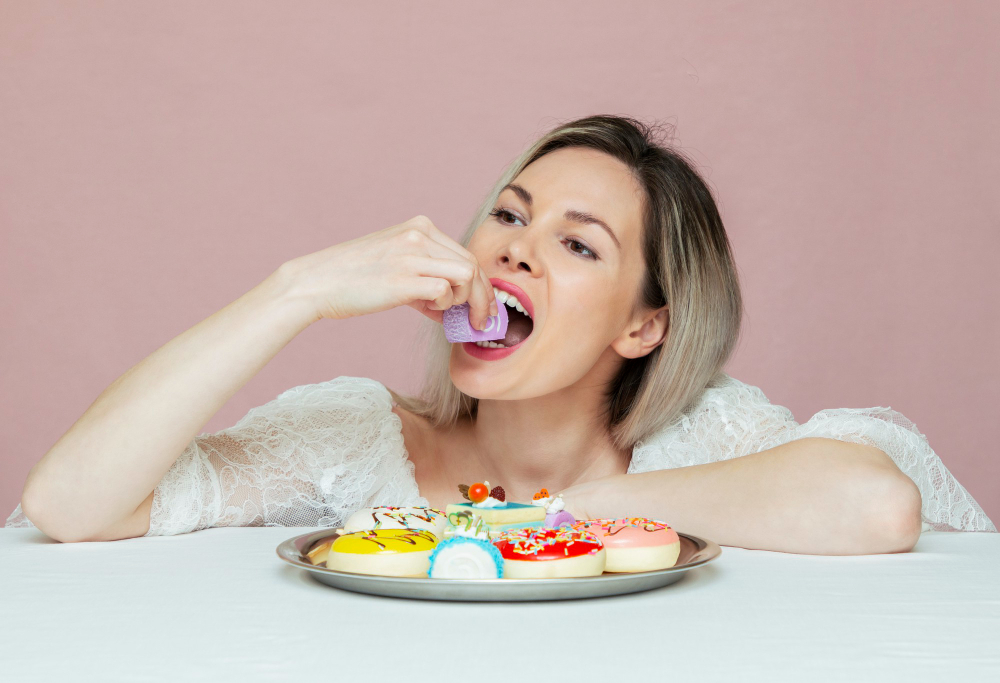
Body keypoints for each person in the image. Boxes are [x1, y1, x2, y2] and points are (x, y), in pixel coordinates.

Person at [6, 115, 994, 553]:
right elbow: (68, 502)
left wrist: (577, 507)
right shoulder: (358, 439)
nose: (517, 248)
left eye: (579, 243)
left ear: (645, 323)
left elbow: (874, 505)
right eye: (510, 215)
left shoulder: (700, 440)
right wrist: (293, 290)